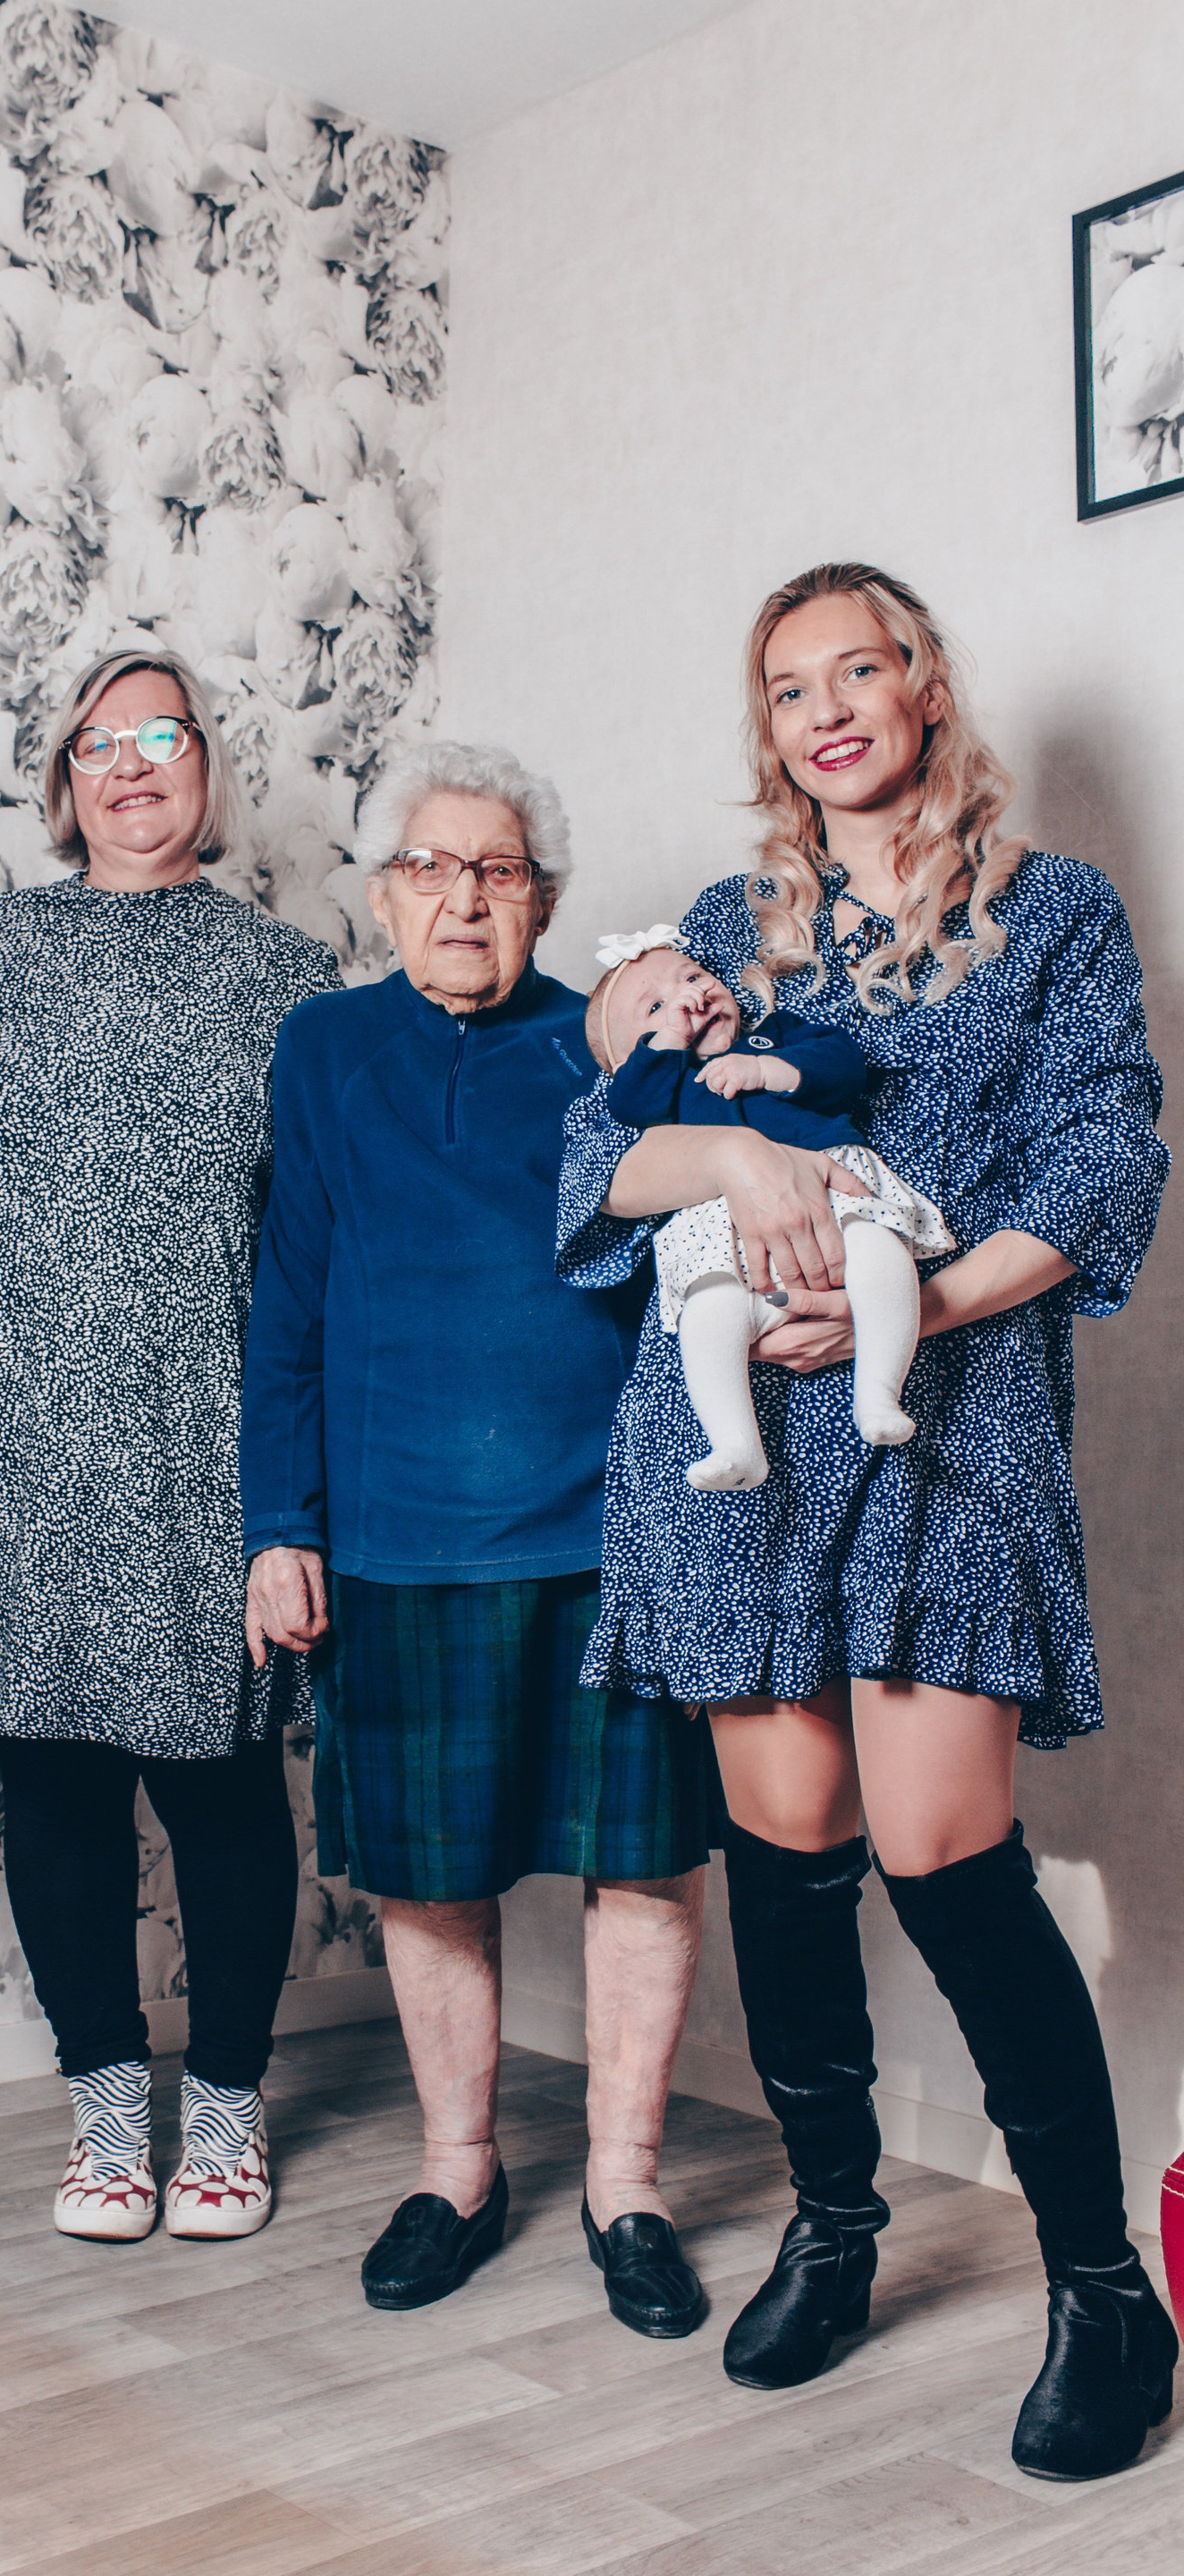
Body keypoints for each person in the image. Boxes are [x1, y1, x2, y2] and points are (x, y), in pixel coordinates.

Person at [559, 563, 1173, 2479]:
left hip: (947, 1429)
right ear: (771, 726)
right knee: (789, 1848)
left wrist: (931, 1300)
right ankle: (835, 2230)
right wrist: (739, 1155)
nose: (826, 710)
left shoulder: (1054, 912)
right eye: (788, 685)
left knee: (946, 1853)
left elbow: (1106, 1155)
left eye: (858, 671)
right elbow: (595, 1160)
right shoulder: (726, 930)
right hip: (733, 1450)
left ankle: (1105, 2295)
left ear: (922, 689)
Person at [241, 742, 712, 2332]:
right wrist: (279, 1524)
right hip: (396, 1531)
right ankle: (458, 2170)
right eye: (431, 868)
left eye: (498, 871)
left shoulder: (608, 1044)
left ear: (545, 902)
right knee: (427, 1872)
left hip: (613, 1530)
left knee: (640, 1860)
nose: (463, 898)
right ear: (382, 896)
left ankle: (627, 2186)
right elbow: (289, 1294)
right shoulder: (324, 1047)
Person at [0, 648, 340, 2244]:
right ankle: (101, 2115)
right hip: (20, 1435)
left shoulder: (289, 976)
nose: (133, 764)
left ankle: (223, 2110)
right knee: (60, 1785)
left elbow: (318, 1243)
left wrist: (300, 1491)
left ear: (209, 769)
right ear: (63, 780)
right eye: (100, 743)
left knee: (222, 1785)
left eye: (163, 735)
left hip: (206, 1439)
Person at [587, 928, 952, 1487]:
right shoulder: (665, 1086)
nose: (689, 998)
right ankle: (736, 1444)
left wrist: (769, 1071)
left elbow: (843, 1062)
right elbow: (628, 1102)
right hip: (723, 1229)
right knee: (709, 1307)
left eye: (693, 977)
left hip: (832, 1183)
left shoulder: (773, 1036)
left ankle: (880, 1394)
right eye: (656, 1007)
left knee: (882, 1254)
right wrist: (668, 1042)